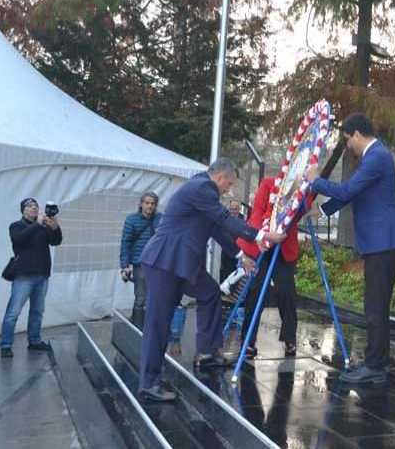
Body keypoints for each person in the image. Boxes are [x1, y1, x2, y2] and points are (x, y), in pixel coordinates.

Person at [136, 158, 285, 402]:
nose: (230, 189)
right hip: (165, 262)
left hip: (183, 263)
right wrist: (262, 235)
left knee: (210, 293)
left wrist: (240, 255)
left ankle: (206, 352)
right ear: (220, 177)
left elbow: (216, 229)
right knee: (158, 323)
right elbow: (226, 220)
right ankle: (148, 384)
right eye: (230, 183)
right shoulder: (202, 188)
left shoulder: (203, 191)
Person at [307, 113, 395, 384]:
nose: (348, 146)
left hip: (383, 241)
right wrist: (323, 209)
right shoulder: (375, 157)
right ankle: (377, 361)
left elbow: (347, 190)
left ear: (356, 134)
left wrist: (315, 180)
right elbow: (355, 193)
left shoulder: (376, 156)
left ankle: (375, 367)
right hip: (384, 241)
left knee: (375, 306)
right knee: (377, 304)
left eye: (347, 140)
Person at [235, 177, 312, 359]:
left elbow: (303, 210)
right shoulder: (268, 183)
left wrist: (307, 197)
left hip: (284, 246)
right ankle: (248, 339)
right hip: (262, 243)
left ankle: (289, 338)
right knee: (255, 291)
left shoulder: (300, 187)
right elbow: (256, 213)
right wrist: (261, 236)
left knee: (286, 291)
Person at [0, 198, 63, 357]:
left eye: (36, 206)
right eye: (30, 206)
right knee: (13, 312)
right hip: (23, 276)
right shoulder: (16, 226)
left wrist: (55, 227)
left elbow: (56, 241)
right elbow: (19, 239)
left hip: (42, 275)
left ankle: (34, 341)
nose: (34, 208)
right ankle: (6, 345)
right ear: (23, 210)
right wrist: (37, 224)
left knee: (37, 311)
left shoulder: (43, 227)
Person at [120, 192, 162, 326]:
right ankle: (137, 328)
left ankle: (150, 329)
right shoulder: (131, 220)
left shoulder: (161, 219)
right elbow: (125, 243)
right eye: (147, 203)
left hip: (157, 264)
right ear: (141, 204)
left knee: (154, 298)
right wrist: (124, 265)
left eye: (153, 203)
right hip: (141, 264)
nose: (150, 206)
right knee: (141, 297)